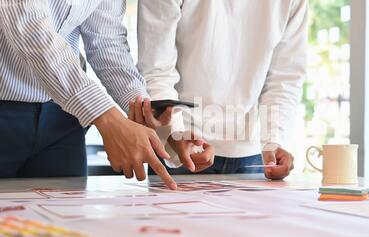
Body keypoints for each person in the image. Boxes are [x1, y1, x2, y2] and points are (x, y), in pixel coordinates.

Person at [0, 0, 176, 189]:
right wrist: (107, 117)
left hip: (61, 119)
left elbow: (106, 41)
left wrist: (141, 106)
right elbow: (30, 29)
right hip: (6, 112)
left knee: (64, 214)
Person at [133, 0, 308, 179]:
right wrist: (174, 133)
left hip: (254, 155)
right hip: (182, 147)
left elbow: (284, 78)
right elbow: (156, 69)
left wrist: (274, 141)